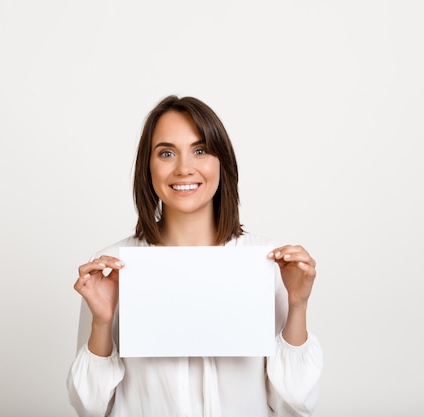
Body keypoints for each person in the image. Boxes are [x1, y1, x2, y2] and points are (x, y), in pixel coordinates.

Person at [66, 95, 322, 417]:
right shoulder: (113, 264)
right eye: (166, 153)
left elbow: (296, 404)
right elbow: (89, 407)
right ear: (148, 166)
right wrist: (102, 323)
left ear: (221, 162)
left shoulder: (269, 262)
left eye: (200, 151)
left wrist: (297, 306)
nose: (184, 168)